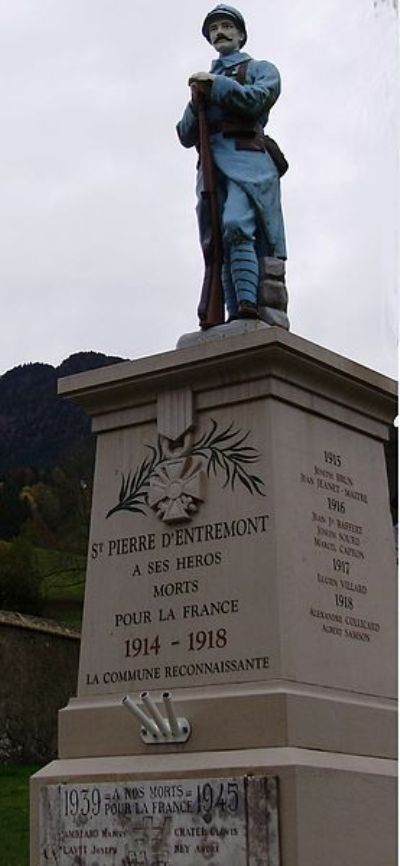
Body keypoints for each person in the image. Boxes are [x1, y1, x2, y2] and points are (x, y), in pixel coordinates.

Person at [177, 4, 288, 327]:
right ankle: (233, 313)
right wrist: (196, 99)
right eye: (214, 29)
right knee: (218, 247)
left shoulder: (260, 69)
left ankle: (248, 306)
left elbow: (256, 100)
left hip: (249, 163)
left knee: (236, 225)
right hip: (212, 170)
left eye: (226, 26)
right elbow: (185, 134)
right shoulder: (206, 81)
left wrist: (216, 86)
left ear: (240, 34)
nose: (220, 33)